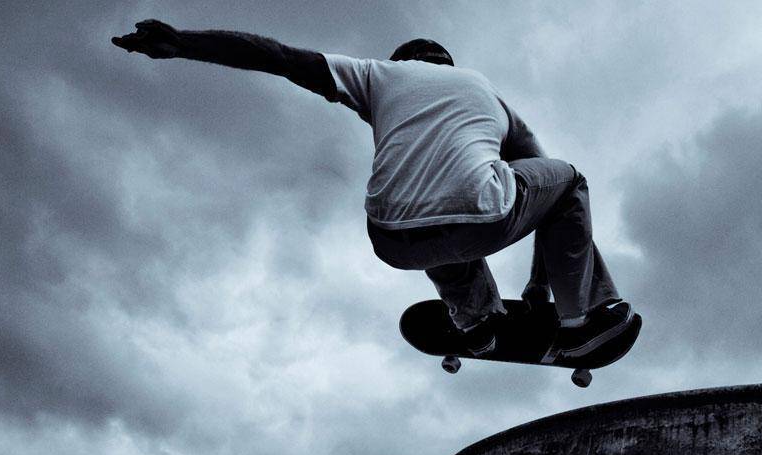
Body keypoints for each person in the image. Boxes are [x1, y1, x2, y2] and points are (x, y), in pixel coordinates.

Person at [112, 20, 635, 360]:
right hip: (482, 215)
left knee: (427, 204)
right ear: (445, 65)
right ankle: (578, 321)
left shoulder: (376, 75)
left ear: (401, 60)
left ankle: (476, 323)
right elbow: (547, 190)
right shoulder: (485, 92)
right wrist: (542, 289)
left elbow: (277, 56)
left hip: (390, 239)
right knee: (565, 182)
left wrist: (183, 42)